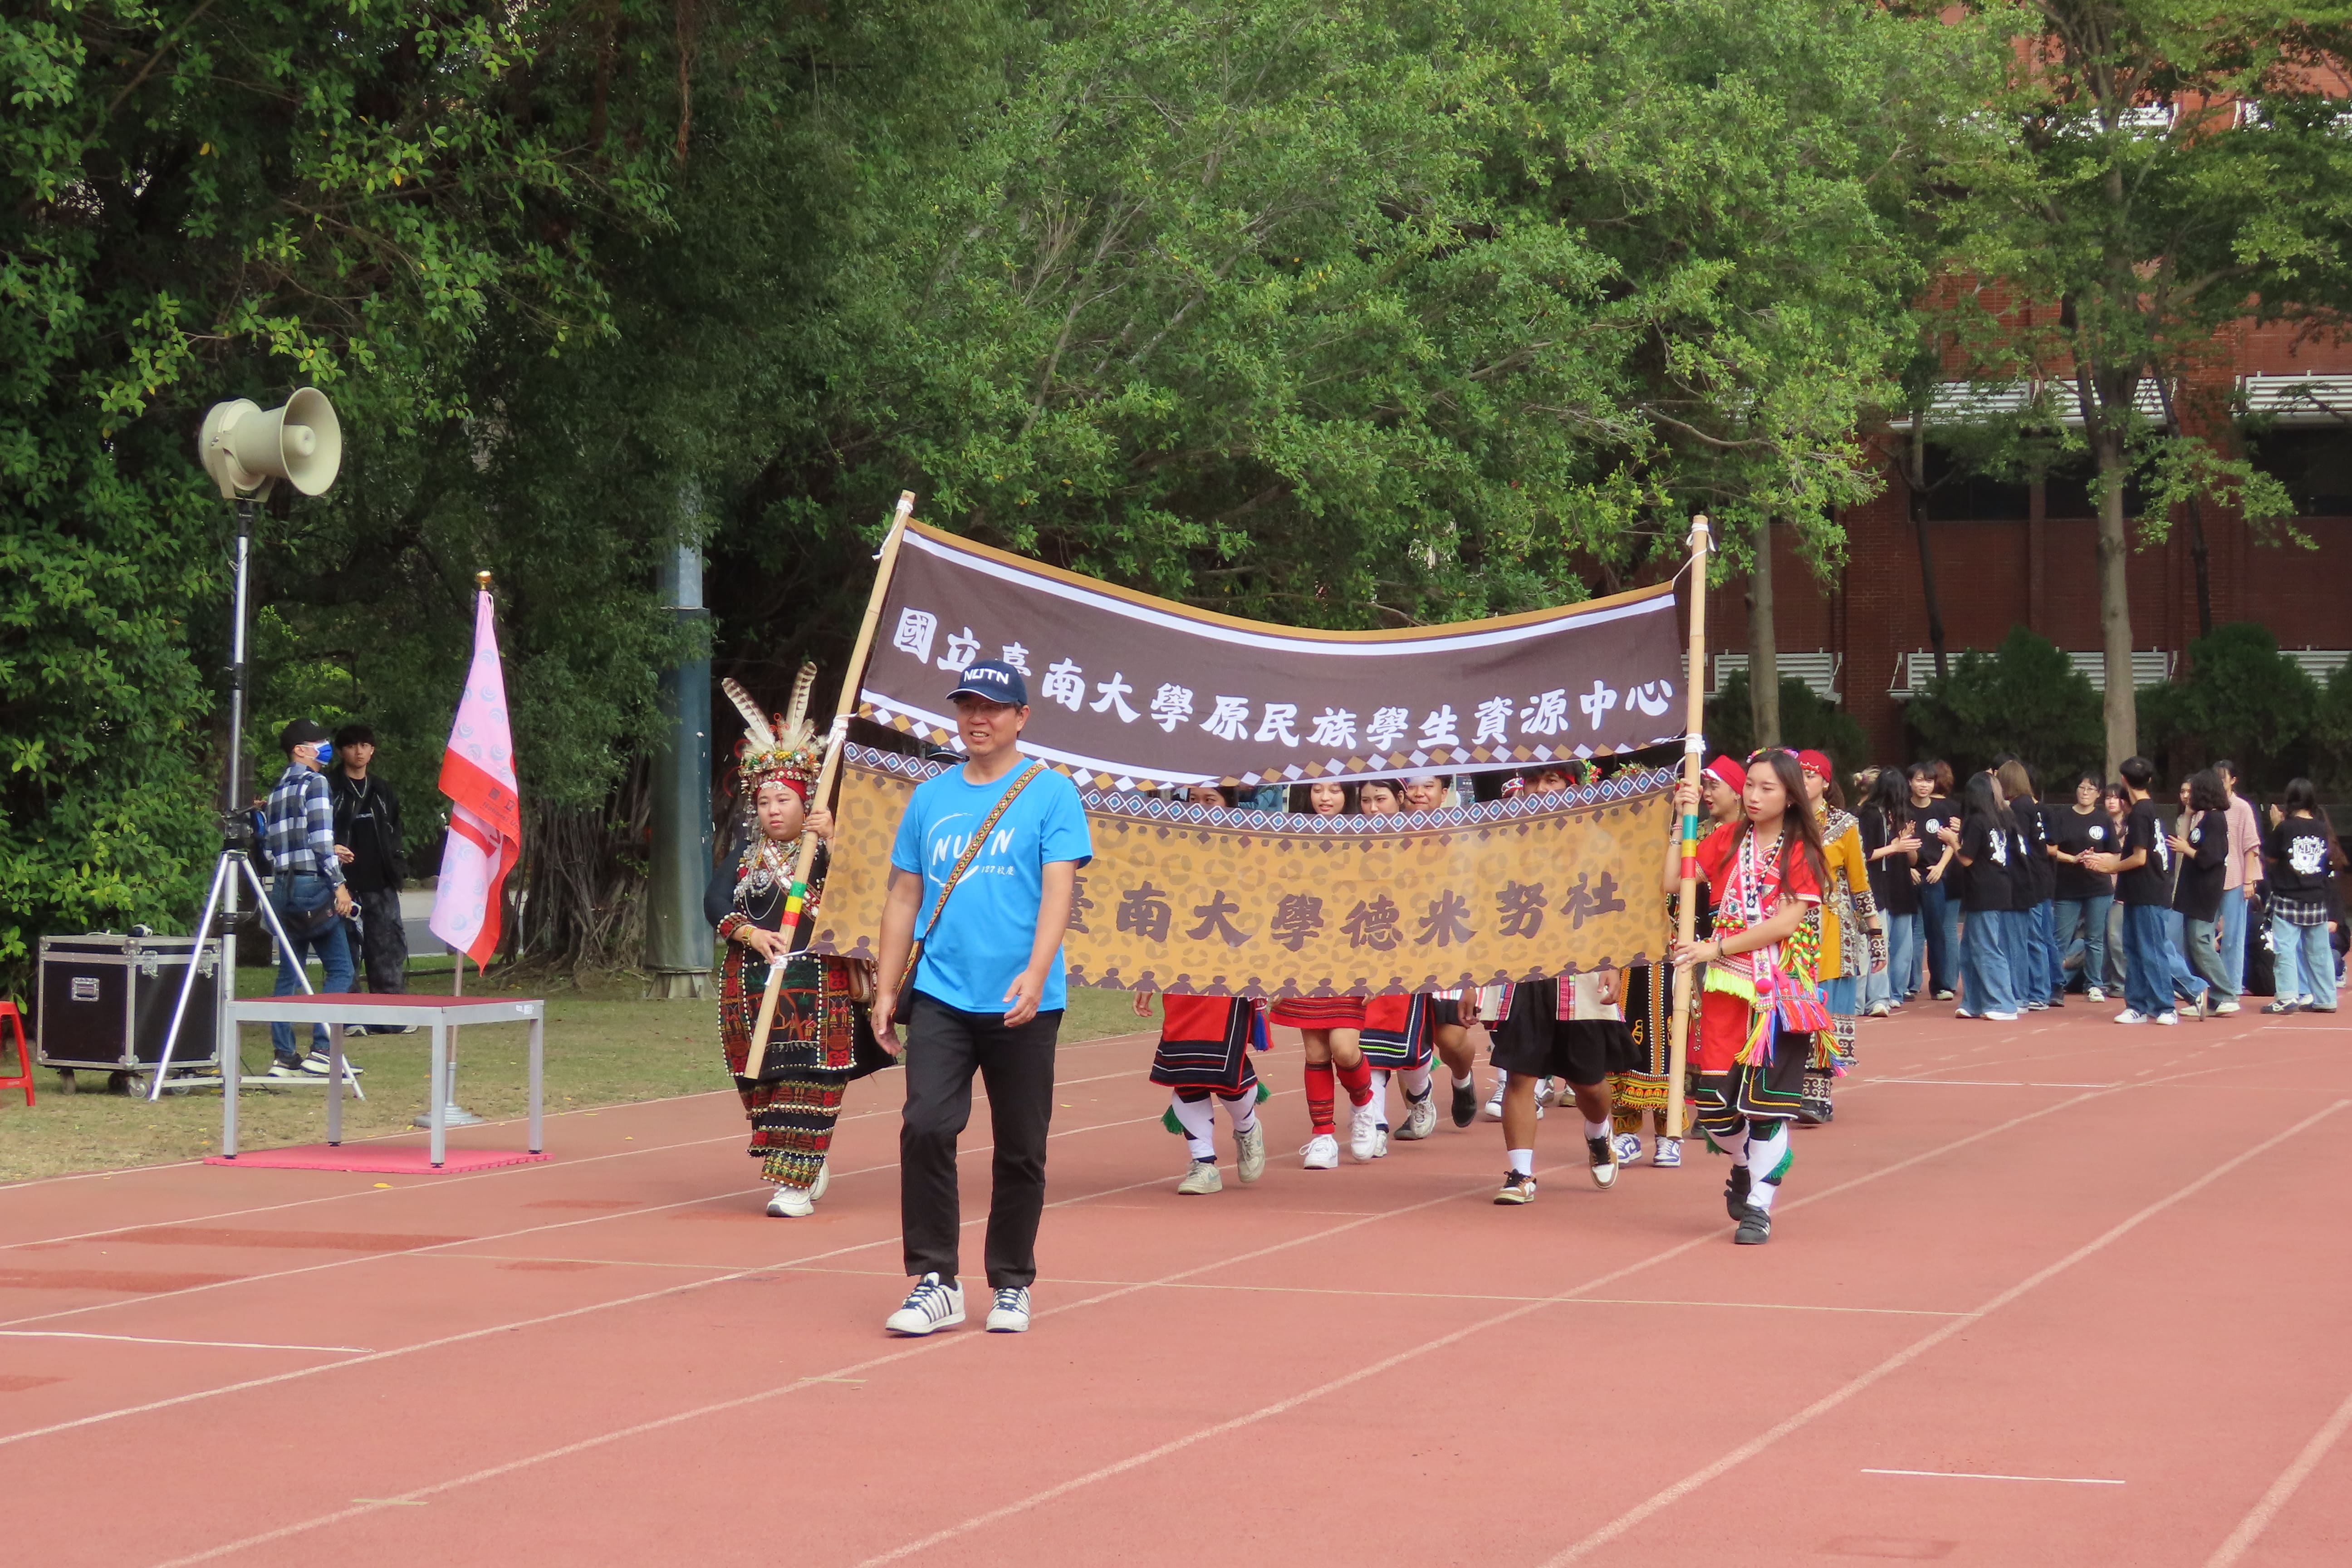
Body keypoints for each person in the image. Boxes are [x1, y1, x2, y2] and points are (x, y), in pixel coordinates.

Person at [872, 659, 1093, 1337]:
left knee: (1021, 1146)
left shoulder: (1051, 794)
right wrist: (885, 989)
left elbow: (1059, 889)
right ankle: (935, 1279)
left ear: (1021, 717)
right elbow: (904, 896)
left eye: (993, 707)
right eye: (967, 705)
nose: (978, 718)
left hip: (1023, 1000)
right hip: (943, 993)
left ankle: (1012, 1281)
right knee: (926, 1126)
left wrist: (1036, 971)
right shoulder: (930, 798)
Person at [706, 686, 886, 1218]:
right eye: (765, 802)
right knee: (759, 1084)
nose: (773, 810)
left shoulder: (828, 850)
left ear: (805, 800)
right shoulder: (746, 855)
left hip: (818, 989)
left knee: (810, 1078)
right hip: (750, 989)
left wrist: (833, 840)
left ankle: (794, 1183)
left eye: (783, 799)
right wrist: (750, 934)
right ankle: (799, 1160)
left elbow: (869, 891)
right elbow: (715, 901)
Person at [1664, 749, 1829, 1245]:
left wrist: (1715, 947)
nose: (1754, 796)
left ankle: (1759, 1206)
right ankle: (1741, 1164)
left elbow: (1786, 923)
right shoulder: (1727, 838)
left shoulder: (1804, 849)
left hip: (1778, 993)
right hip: (1725, 989)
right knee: (1714, 1108)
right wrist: (1679, 822)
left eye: (1767, 788)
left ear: (1790, 796)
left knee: (1766, 1108)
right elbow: (1673, 881)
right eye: (1750, 786)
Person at [1276, 777, 1382, 1167]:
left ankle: (1364, 1104)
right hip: (1305, 953)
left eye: (1335, 790)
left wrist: (1376, 968)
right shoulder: (1289, 840)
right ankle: (1323, 1136)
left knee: (1345, 1048)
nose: (1325, 797)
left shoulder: (1367, 839)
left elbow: (1382, 901)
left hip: (1353, 955)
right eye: (1318, 789)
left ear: (1348, 794)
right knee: (1316, 1052)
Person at [261, 719, 359, 1078]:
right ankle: (322, 1048)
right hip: (313, 887)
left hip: (282, 887)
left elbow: (272, 849)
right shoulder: (315, 783)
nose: (325, 746)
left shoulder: (276, 791)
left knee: (289, 971)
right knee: (342, 968)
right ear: (301, 750)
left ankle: (284, 1055)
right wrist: (339, 885)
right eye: (318, 742)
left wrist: (327, 850)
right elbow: (319, 839)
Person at [1486, 966, 1625, 1203]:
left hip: (1581, 976)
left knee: (1589, 1084)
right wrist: (1470, 986)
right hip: (1522, 975)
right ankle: (1521, 1173)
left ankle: (1598, 1131)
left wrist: (1612, 966)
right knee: (1520, 1076)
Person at [1797, 751, 1880, 1122]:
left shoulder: (1844, 825)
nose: (1803, 781)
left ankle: (1818, 1094)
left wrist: (1875, 935)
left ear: (1826, 783)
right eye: (1798, 774)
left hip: (1832, 929)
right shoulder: (1782, 821)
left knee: (1825, 1005)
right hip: (1788, 929)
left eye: (1811, 775)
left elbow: (1860, 884)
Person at [1136, 990, 1269, 1192]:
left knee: (1224, 1072)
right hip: (1181, 989)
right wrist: (1149, 982)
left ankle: (1247, 1127)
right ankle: (1204, 1163)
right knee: (1185, 1070)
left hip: (1229, 986)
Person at [327, 723, 410, 1027]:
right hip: (343, 885)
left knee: (387, 949)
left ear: (372, 750)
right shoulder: (329, 788)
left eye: (365, 746)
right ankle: (350, 1019)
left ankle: (390, 1017)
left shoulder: (383, 791)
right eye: (352, 746)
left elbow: (396, 831)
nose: (359, 752)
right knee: (346, 953)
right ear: (341, 751)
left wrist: (397, 866)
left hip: (381, 883)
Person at [2086, 757, 2178, 1025]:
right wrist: (2107, 862)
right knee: (2134, 950)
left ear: (2124, 781)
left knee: (2151, 950)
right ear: (2149, 780)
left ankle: (2165, 1006)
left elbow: (2139, 858)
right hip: (2142, 890)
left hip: (2147, 890)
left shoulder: (2139, 813)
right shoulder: (2151, 810)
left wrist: (2111, 867)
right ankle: (2137, 1005)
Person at [1939, 770, 2017, 1021]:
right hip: (1993, 888)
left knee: (1987, 948)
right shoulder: (1999, 818)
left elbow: (1966, 859)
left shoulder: (1977, 821)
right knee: (1970, 949)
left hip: (1985, 890)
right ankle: (1974, 1002)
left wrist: (1952, 840)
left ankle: (2003, 1003)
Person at [2264, 779, 2343, 1014]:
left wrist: (2276, 825)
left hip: (2288, 898)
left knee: (2285, 950)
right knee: (2320, 952)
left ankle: (2287, 997)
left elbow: (2270, 858)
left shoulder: (2285, 828)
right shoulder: (2321, 827)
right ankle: (2326, 998)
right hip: (2316, 897)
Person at [2170, 769, 2236, 1016]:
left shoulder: (2216, 820)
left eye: (2194, 791)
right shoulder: (2203, 819)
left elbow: (2211, 857)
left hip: (2206, 889)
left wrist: (2187, 849)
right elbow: (2183, 842)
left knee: (2200, 941)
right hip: (2193, 888)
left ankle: (2226, 993)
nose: (2189, 796)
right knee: (2191, 944)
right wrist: (2188, 815)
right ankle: (2206, 997)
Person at [1996, 759, 2060, 1011]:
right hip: (2039, 876)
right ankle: (2040, 989)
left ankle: (2038, 991)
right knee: (2037, 936)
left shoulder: (2019, 808)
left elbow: (2018, 845)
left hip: (2029, 879)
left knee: (2031, 937)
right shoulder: (2030, 805)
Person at [2046, 772, 2116, 1003]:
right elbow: (2051, 849)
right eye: (2082, 788)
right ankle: (2054, 984)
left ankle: (2094, 984)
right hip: (2068, 887)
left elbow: (2115, 853)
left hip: (2098, 887)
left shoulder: (2104, 819)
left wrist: (2095, 858)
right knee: (2060, 938)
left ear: (2098, 794)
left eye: (2091, 789)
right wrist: (2073, 859)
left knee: (2095, 939)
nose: (2085, 793)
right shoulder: (2062, 817)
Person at [1859, 765, 1921, 1014]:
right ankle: (1873, 998)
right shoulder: (1870, 814)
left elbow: (1912, 858)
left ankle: (1889, 994)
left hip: (1895, 884)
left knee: (1895, 944)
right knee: (1876, 944)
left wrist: (1904, 844)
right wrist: (1895, 846)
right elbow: (1865, 853)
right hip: (1875, 884)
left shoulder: (1899, 816)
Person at [1909, 764, 1961, 1000]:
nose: (1924, 785)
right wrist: (1908, 868)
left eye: (1929, 781)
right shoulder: (1903, 809)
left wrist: (1941, 867)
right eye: (1920, 780)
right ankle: (1908, 984)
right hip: (1910, 877)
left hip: (1934, 876)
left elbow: (1952, 842)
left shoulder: (1942, 810)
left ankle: (1940, 985)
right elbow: (1899, 842)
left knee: (1936, 931)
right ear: (1910, 782)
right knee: (1910, 932)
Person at [2214, 760, 2264, 1005]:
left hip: (2235, 877)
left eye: (2223, 778)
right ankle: (2209, 984)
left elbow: (2251, 847)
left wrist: (2249, 881)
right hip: (2209, 879)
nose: (2219, 782)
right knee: (2199, 934)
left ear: (2233, 780)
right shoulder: (2206, 807)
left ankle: (2232, 987)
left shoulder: (2243, 808)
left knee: (2233, 936)